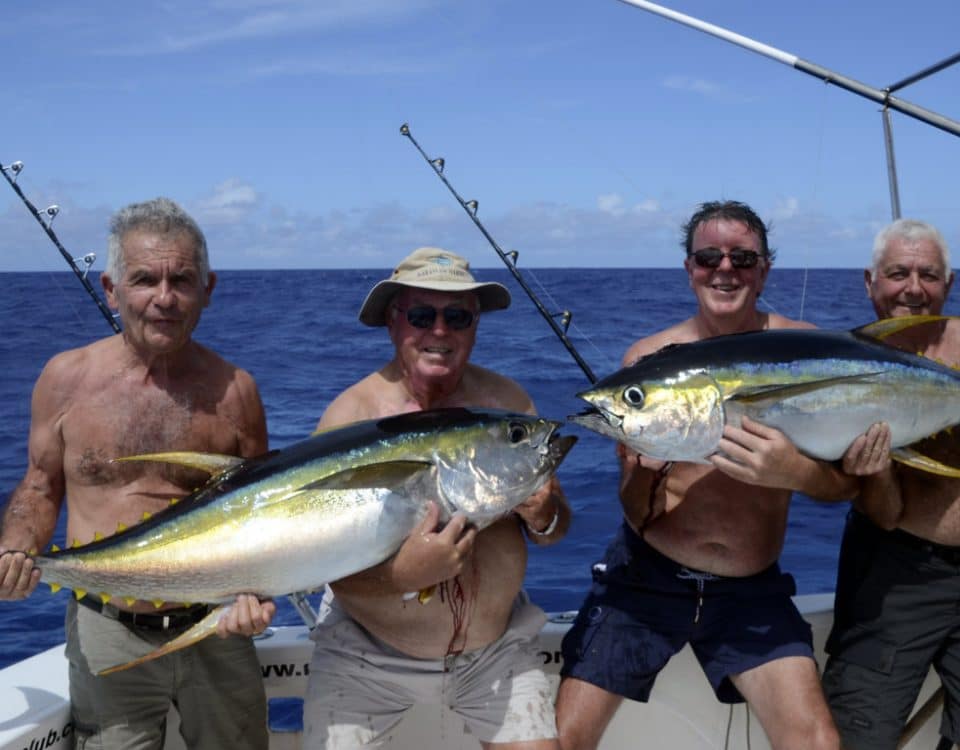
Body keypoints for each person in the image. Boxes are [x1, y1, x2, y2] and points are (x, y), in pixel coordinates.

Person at [555, 200, 859, 750]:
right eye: (708, 257)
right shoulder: (648, 359)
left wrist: (797, 472)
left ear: (765, 269)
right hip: (644, 582)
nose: (725, 269)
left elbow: (844, 487)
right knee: (562, 739)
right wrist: (642, 476)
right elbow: (633, 509)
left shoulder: (808, 349)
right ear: (689, 269)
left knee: (817, 743)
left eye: (742, 258)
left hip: (753, 591)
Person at [0, 197, 275, 749]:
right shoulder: (64, 380)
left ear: (208, 289)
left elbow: (262, 515)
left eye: (183, 280)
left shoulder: (235, 391)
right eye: (145, 279)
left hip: (215, 627)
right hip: (107, 630)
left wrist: (260, 600)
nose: (165, 298)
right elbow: (40, 485)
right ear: (111, 289)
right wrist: (15, 548)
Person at [302, 246, 571, 750]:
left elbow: (557, 532)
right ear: (393, 322)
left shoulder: (509, 409)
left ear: (475, 325)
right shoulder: (349, 419)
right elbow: (319, 559)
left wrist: (546, 516)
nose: (440, 332)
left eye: (458, 316)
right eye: (422, 315)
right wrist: (403, 576)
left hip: (495, 653)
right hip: (365, 657)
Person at [821, 219, 960, 750]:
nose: (913, 288)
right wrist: (874, 470)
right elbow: (883, 514)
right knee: (858, 733)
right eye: (898, 273)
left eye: (929, 274)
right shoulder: (842, 368)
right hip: (894, 572)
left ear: (948, 283)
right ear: (870, 281)